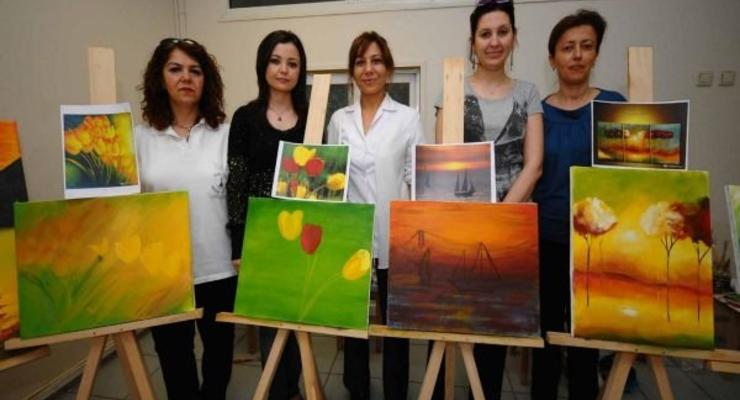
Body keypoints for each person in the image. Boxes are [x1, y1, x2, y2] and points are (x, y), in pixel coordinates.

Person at [433, 0, 543, 398]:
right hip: (458, 224)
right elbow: (441, 161)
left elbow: (534, 165)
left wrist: (498, 218)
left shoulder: (529, 93)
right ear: (473, 42)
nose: (494, 41)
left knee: (493, 329)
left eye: (502, 32)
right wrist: (473, 219)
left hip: (509, 226)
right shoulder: (453, 90)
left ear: (514, 37)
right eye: (485, 34)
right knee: (448, 320)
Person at [531, 9, 625, 400]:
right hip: (547, 237)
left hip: (597, 244)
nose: (577, 55)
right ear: (552, 58)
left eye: (586, 46)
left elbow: (628, 177)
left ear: (596, 54)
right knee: (546, 337)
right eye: (567, 48)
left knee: (587, 340)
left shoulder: (613, 108)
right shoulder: (538, 112)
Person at [136, 38, 235, 400]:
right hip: (164, 273)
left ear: (207, 80)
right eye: (175, 69)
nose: (186, 78)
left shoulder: (226, 134)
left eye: (195, 70)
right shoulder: (139, 138)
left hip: (219, 269)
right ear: (159, 78)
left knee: (219, 357)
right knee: (174, 359)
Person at [327, 31, 424, 400]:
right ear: (352, 71)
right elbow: (332, 179)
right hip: (351, 234)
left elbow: (417, 178)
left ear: (389, 69)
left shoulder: (408, 118)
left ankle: (396, 390)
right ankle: (358, 389)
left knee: (396, 323)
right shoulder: (339, 120)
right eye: (360, 62)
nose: (368, 69)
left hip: (396, 234)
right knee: (353, 321)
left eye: (376, 61)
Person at [226, 30, 308, 400]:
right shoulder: (244, 118)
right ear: (263, 65)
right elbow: (236, 183)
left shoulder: (312, 118)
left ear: (301, 70)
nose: (283, 69)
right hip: (260, 239)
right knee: (269, 326)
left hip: (303, 235)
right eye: (276, 61)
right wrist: (238, 244)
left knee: (300, 320)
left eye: (292, 63)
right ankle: (277, 392)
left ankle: (294, 390)